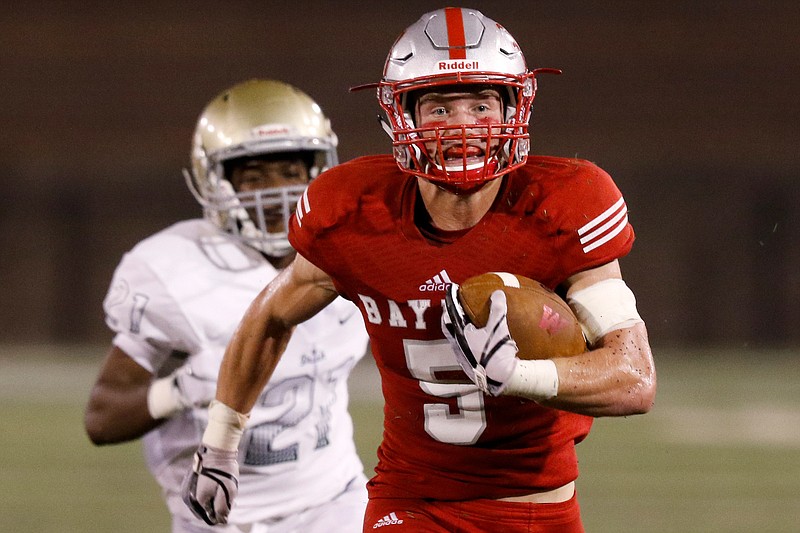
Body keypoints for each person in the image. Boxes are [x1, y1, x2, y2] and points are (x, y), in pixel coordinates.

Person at [183, 8, 656, 533]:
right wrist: (222, 440)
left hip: (535, 504)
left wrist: (519, 376)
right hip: (409, 500)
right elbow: (271, 316)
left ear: (514, 107)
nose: (462, 128)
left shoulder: (562, 204)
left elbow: (634, 378)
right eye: (439, 107)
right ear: (400, 115)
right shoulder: (353, 213)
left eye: (481, 105)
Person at [84, 79, 370, 533]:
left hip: (335, 501)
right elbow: (102, 418)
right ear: (215, 182)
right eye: (254, 176)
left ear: (319, 172)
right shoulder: (173, 268)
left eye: (291, 171)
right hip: (220, 516)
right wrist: (179, 389)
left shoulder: (352, 249)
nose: (277, 192)